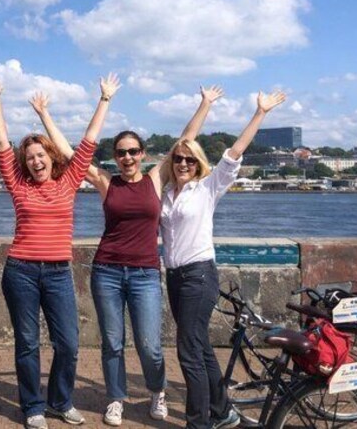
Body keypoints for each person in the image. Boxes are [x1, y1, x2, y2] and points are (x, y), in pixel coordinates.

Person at [32, 85, 224, 427]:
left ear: (143, 154)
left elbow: (185, 140)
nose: (128, 158)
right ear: (116, 156)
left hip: (145, 273)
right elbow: (70, 153)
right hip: (106, 271)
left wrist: (205, 104)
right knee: (112, 343)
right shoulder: (107, 182)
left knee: (150, 345)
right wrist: (45, 114)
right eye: (121, 152)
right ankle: (116, 398)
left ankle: (157, 390)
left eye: (134, 151)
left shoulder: (155, 179)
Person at [0, 73, 118, 429]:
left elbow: (88, 141)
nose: (35, 161)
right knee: (27, 343)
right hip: (21, 272)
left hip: (58, 272)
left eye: (40, 155)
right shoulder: (18, 185)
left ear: (50, 156)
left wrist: (104, 99)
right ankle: (33, 406)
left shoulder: (68, 182)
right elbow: (2, 143)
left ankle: (60, 401)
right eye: (29, 157)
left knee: (68, 344)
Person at [161, 90, 286, 429]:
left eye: (190, 160)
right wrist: (203, 104)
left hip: (199, 275)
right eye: (178, 159)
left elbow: (234, 152)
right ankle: (222, 411)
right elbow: (182, 140)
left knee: (188, 351)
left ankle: (198, 423)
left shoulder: (207, 187)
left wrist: (260, 113)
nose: (183, 163)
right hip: (174, 277)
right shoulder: (166, 192)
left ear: (199, 164)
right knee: (199, 345)